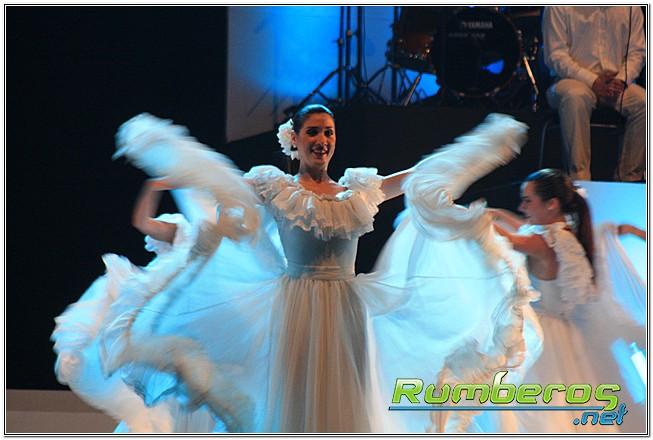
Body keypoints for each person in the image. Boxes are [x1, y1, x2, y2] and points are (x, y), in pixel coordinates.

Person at [53, 106, 539, 433]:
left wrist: (479, 148)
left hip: (346, 307)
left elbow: (420, 175)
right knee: (296, 402)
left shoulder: (357, 191)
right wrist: (171, 156)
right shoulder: (275, 187)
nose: (322, 140)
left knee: (343, 400)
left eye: (329, 133)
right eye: (313, 133)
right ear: (296, 140)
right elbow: (224, 183)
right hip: (297, 304)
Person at [489, 169, 646, 433]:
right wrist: (497, 214)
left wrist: (471, 219)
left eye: (527, 201)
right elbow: (522, 227)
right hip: (560, 331)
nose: (521, 207)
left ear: (551, 204)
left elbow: (511, 239)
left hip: (542, 336)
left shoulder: (543, 241)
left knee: (540, 408)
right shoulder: (563, 234)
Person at [542, 6, 646, 182]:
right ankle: (579, 180)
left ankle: (628, 179)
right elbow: (555, 56)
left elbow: (637, 53)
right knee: (576, 97)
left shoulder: (630, 7)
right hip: (570, 80)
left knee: (645, 103)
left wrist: (621, 80)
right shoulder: (559, 6)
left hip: (614, 81)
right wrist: (593, 80)